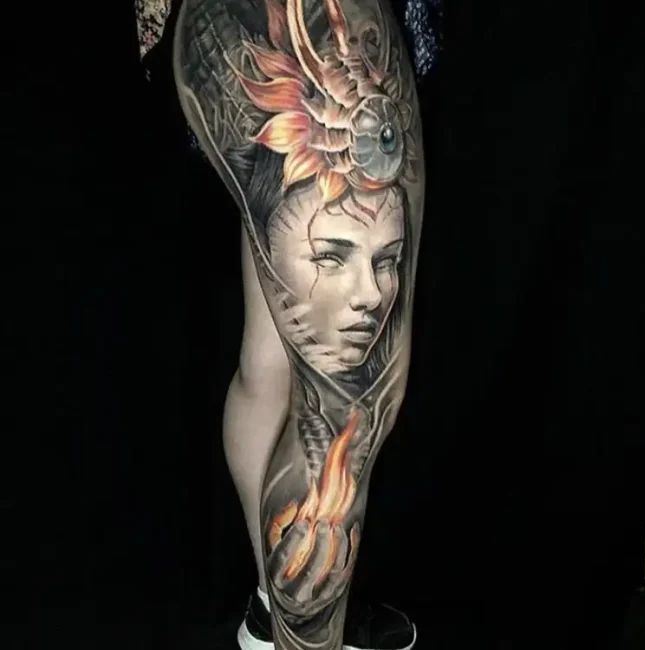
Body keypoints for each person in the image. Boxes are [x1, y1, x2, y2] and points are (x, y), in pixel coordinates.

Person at [166, 1, 426, 648]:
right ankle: (306, 635)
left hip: (265, 35)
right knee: (348, 396)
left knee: (274, 355)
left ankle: (278, 611)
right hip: (306, 26)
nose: (373, 290)